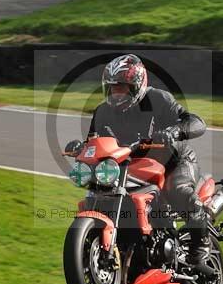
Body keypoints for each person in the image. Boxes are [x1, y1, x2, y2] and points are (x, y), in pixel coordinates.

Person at [86, 54, 209, 264]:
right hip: (129, 166)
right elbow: (93, 143)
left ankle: (201, 245)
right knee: (99, 193)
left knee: (178, 190)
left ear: (137, 85)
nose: (117, 94)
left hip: (172, 162)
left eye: (123, 88)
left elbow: (197, 123)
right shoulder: (102, 112)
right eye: (113, 88)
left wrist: (175, 131)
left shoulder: (159, 100)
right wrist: (81, 149)